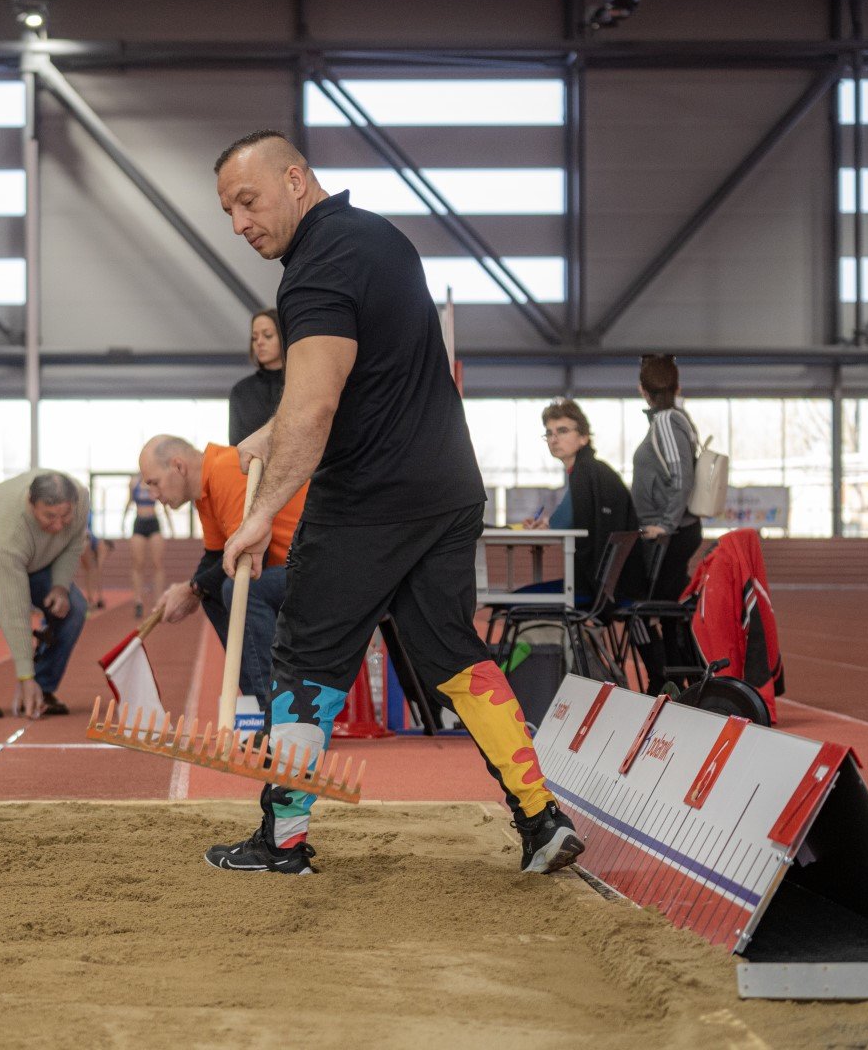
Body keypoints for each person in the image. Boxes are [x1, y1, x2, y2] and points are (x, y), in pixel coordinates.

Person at [209, 130, 582, 876]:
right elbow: (367, 373)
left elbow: (316, 405)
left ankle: (281, 839)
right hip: (446, 488)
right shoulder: (380, 239)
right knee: (451, 655)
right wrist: (265, 432)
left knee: (306, 658)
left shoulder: (313, 271)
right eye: (227, 212)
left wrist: (259, 515)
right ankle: (541, 819)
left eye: (248, 201)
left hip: (368, 497)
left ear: (294, 179)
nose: (240, 223)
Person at [140, 435, 307, 704]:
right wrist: (193, 589)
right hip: (290, 570)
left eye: (154, 483)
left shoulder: (228, 469)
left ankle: (275, 710)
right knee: (215, 591)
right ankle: (255, 705)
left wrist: (193, 588)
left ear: (178, 466)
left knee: (242, 587)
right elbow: (216, 556)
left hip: (317, 571)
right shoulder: (205, 491)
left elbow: (247, 557)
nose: (153, 495)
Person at [0, 470, 89, 720]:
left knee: (74, 607)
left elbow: (73, 542)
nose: (58, 524)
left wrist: (60, 586)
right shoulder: (7, 526)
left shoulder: (81, 496)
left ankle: (41, 690)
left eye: (65, 515)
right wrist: (25, 675)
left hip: (33, 559)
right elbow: (13, 607)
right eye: (49, 516)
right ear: (30, 505)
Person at [522, 398, 645, 604]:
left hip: (594, 589)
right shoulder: (592, 470)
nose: (554, 439)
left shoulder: (585, 473)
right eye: (549, 433)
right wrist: (547, 524)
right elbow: (569, 518)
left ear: (584, 438)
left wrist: (548, 526)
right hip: (615, 586)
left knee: (510, 601)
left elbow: (561, 523)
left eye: (562, 431)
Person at [631, 354, 702, 686]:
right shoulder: (675, 419)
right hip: (671, 532)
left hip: (671, 534)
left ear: (642, 390)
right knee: (669, 614)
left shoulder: (666, 421)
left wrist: (667, 524)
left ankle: (665, 681)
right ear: (677, 386)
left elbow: (681, 477)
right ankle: (683, 682)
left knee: (642, 610)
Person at [229, 308, 286, 445]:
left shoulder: (301, 383)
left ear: (284, 337)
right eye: (254, 338)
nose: (259, 342)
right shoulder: (242, 390)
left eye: (267, 335)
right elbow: (236, 444)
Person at [124, 473, 166, 618]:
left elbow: (163, 501)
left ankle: (159, 601)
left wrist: (170, 525)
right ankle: (138, 601)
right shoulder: (133, 482)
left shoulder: (155, 481)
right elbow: (129, 501)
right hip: (139, 523)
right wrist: (123, 521)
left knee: (157, 563)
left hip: (154, 522)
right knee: (138, 564)